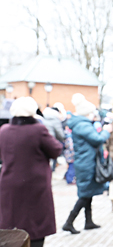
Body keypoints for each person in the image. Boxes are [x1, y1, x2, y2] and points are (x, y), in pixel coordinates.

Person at [0, 97, 63, 247]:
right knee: (34, 227)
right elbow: (56, 150)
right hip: (34, 186)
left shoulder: (4, 131)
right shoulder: (38, 130)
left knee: (11, 225)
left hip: (9, 184)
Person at [62, 93, 112, 234]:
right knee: (84, 195)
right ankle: (69, 222)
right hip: (86, 164)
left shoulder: (81, 124)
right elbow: (96, 139)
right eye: (91, 112)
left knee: (87, 193)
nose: (93, 115)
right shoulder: (83, 125)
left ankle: (88, 222)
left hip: (86, 163)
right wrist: (106, 132)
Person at [43, 107, 66, 172]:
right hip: (52, 141)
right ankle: (51, 170)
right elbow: (61, 134)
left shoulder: (42, 118)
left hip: (42, 142)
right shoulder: (55, 120)